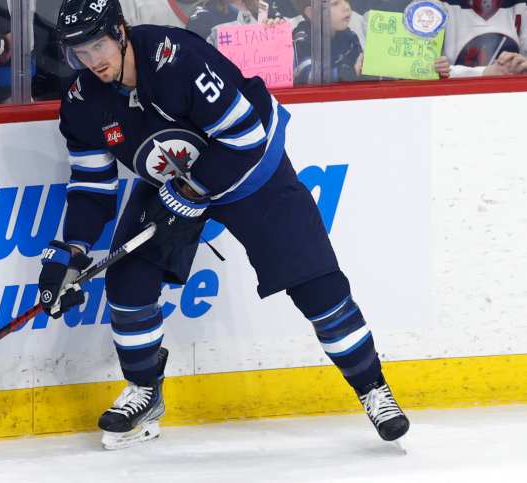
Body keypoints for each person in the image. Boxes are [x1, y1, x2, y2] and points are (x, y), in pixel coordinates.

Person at [37, 0, 410, 450]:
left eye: (99, 44)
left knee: (314, 281)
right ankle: (145, 391)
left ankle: (372, 388)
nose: (93, 60)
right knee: (128, 279)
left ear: (120, 31)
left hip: (251, 167)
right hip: (172, 178)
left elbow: (245, 137)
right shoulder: (82, 101)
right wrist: (70, 253)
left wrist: (194, 190)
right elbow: (92, 186)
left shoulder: (176, 58)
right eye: (80, 51)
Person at [433, 0, 527, 78]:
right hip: (453, 96)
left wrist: (522, 65)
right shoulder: (434, 5)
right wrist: (485, 72)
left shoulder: (521, 6)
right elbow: (425, 69)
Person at [292, 0, 363, 84]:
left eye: (346, 0)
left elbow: (360, 66)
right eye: (335, 3)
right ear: (312, 13)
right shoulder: (302, 39)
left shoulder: (350, 36)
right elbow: (308, 76)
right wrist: (348, 73)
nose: (346, 7)